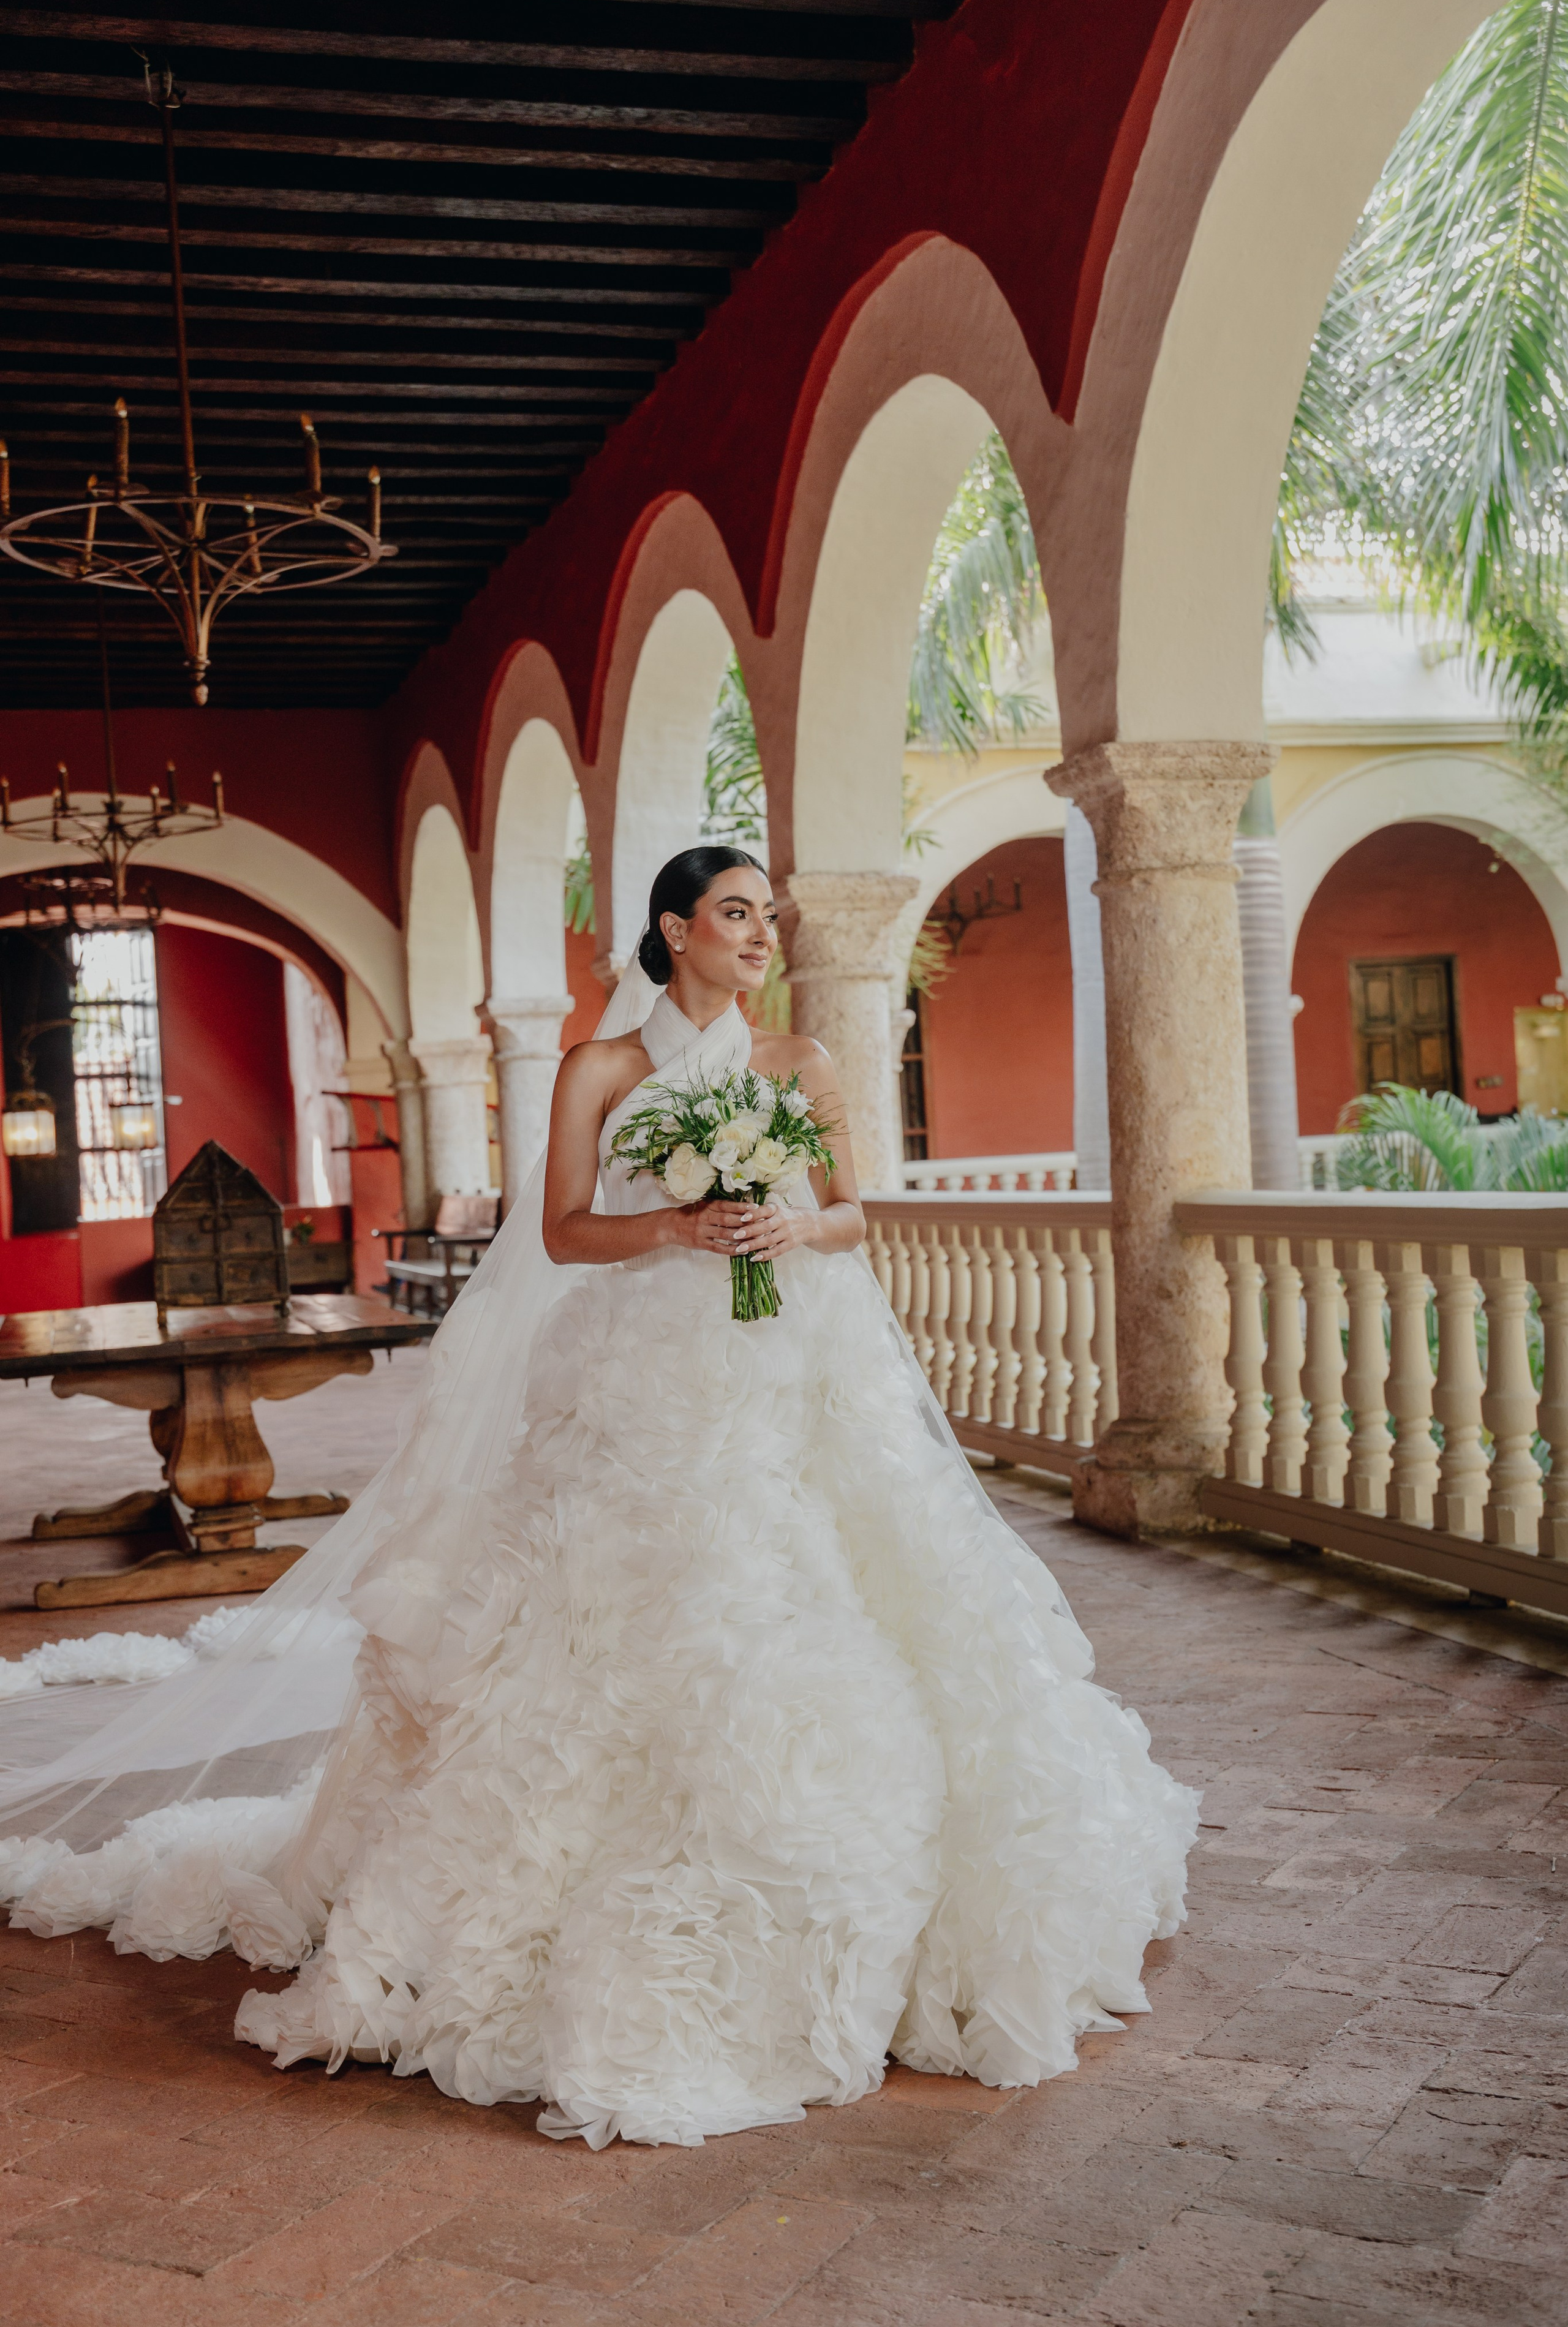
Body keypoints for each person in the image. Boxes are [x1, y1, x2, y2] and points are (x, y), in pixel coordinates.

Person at [0, 846, 1196, 2150]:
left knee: (806, 1592)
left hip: (789, 1368)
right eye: (734, 913)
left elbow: (856, 1216)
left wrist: (788, 1228)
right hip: (637, 1378)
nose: (757, 934)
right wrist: (678, 1228)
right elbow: (564, 1230)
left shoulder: (796, 1065)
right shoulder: (601, 1070)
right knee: (594, 1621)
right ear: (674, 929)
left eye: (764, 917)